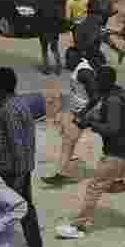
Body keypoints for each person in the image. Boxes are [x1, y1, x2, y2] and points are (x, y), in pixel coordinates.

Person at [55, 66, 125, 240]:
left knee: (94, 187)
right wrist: (86, 120)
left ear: (104, 82)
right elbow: (99, 111)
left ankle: (79, 226)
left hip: (116, 154)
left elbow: (112, 128)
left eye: (97, 79)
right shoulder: (112, 96)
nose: (95, 83)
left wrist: (94, 124)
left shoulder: (112, 100)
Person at [0, 67, 44, 247]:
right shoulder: (19, 104)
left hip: (11, 171)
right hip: (19, 169)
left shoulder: (8, 110)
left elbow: (16, 144)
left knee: (5, 214)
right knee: (24, 212)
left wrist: (19, 175)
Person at [41, 47, 96, 185]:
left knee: (69, 142)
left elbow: (95, 97)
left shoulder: (84, 72)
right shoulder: (80, 67)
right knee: (68, 141)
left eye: (69, 59)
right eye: (66, 58)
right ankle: (63, 172)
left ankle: (62, 174)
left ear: (77, 58)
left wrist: (81, 115)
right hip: (78, 111)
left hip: (84, 113)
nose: (67, 62)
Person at [38, 0, 64, 75]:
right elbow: (60, 18)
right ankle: (58, 67)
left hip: (43, 31)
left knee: (44, 50)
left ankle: (46, 69)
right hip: (54, 31)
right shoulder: (56, 6)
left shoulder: (41, 5)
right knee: (55, 49)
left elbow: (37, 18)